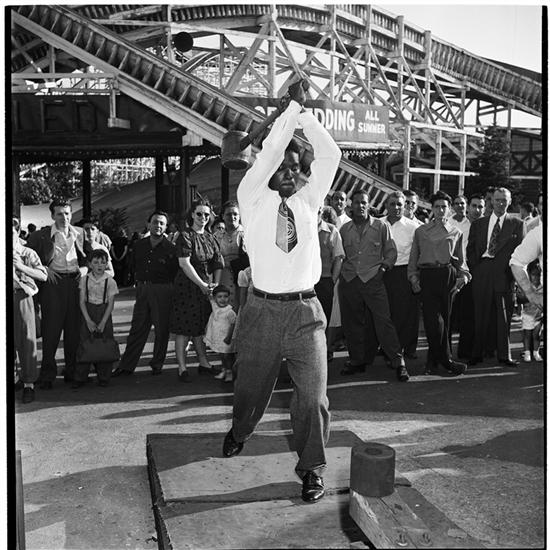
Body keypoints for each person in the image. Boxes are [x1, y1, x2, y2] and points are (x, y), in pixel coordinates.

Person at [223, 78, 341, 504]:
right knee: (250, 390)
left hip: (306, 314)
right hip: (261, 312)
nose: (290, 173)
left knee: (313, 398)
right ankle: (240, 430)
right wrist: (289, 112)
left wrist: (303, 115)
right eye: (282, 168)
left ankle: (312, 468)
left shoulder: (310, 199)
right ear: (267, 171)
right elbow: (271, 151)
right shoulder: (251, 196)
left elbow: (331, 154)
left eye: (295, 168)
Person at [339, 189, 409, 382]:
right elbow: (340, 254)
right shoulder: (344, 229)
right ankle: (356, 361)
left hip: (373, 280)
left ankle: (398, 362)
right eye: (357, 202)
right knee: (352, 324)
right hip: (350, 281)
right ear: (351, 205)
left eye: (364, 202)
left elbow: (391, 252)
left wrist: (382, 270)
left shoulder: (380, 226)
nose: (360, 206)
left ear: (369, 205)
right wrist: (343, 275)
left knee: (383, 321)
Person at [27, 199, 88, 388]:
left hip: (75, 282)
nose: (64, 217)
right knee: (51, 331)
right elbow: (29, 259)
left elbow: (90, 258)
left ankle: (72, 372)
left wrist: (84, 270)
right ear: (52, 215)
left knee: (74, 330)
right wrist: (45, 269)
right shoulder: (40, 236)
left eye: (67, 213)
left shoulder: (81, 233)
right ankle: (47, 375)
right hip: (53, 284)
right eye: (60, 214)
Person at [408, 191, 470, 376]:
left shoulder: (456, 232)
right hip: (428, 276)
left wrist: (464, 276)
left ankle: (433, 362)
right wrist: (413, 278)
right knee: (433, 321)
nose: (441, 210)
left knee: (445, 321)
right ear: (432, 209)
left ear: (449, 209)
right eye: (437, 207)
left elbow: (461, 260)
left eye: (444, 207)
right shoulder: (421, 231)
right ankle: (446, 360)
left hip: (447, 276)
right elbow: (413, 258)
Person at [112, 211, 178, 377]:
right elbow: (133, 266)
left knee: (161, 330)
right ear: (148, 224)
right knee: (137, 328)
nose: (158, 226)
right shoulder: (138, 245)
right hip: (142, 289)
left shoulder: (171, 248)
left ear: (166, 227)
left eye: (162, 223)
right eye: (155, 222)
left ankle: (157, 364)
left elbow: (175, 272)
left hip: (163, 290)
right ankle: (126, 366)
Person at [467, 187, 524, 366]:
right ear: (491, 201)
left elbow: (520, 252)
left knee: (504, 316)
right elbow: (471, 249)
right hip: (482, 272)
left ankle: (504, 355)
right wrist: (476, 269)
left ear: (509, 202)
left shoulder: (517, 224)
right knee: (480, 314)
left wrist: (513, 276)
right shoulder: (479, 224)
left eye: (504, 200)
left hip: (504, 274)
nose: (500, 203)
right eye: (497, 200)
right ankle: (477, 353)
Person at [170, 199, 224, 382]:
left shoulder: (210, 237)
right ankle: (182, 368)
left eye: (206, 214)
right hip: (187, 287)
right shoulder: (185, 236)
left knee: (200, 327)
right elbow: (184, 263)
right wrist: (202, 284)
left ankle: (204, 363)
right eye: (199, 213)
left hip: (205, 288)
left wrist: (214, 285)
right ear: (192, 214)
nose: (203, 217)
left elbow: (218, 263)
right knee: (184, 329)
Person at [380, 192, 421, 359]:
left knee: (404, 313)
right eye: (392, 204)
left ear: (405, 207)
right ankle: (388, 347)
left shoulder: (413, 227)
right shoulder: (378, 224)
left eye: (399, 204)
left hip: (404, 272)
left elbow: (418, 253)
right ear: (386, 206)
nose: (396, 207)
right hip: (382, 272)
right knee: (385, 312)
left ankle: (404, 348)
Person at [13, 217, 48, 403]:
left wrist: (20, 266)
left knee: (26, 341)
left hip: (22, 297)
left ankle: (28, 384)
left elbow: (43, 275)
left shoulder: (27, 252)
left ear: (17, 232)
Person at [73, 248, 119, 388]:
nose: (99, 265)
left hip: (104, 313)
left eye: (103, 262)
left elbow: (111, 304)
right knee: (85, 343)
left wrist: (103, 322)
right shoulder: (84, 280)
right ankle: (80, 377)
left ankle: (104, 376)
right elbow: (81, 301)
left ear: (106, 264)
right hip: (88, 311)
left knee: (105, 343)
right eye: (96, 262)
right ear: (90, 264)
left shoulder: (110, 281)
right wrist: (88, 320)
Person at [450, 193, 485, 359]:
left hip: (476, 273)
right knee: (450, 314)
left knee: (470, 314)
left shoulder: (486, 225)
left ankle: (466, 351)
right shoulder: (457, 224)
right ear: (468, 207)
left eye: (480, 207)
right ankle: (445, 353)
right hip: (455, 270)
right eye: (474, 206)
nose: (477, 210)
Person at [315, 206, 345, 359]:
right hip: (305, 283)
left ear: (321, 212)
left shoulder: (332, 230)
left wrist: (332, 280)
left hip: (325, 280)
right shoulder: (302, 229)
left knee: (324, 317)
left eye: (317, 211)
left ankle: (325, 350)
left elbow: (339, 257)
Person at [216, 201, 246, 308]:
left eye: (235, 214)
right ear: (223, 216)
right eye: (228, 214)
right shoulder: (216, 236)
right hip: (223, 277)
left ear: (240, 216)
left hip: (242, 277)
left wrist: (231, 263)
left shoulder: (247, 233)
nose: (232, 217)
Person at [205, 285, 237, 383]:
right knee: (222, 355)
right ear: (215, 298)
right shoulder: (215, 306)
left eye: (225, 296)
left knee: (227, 356)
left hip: (226, 338)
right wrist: (209, 288)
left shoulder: (229, 312)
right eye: (219, 297)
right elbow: (209, 297)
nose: (223, 299)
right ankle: (224, 370)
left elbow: (233, 325)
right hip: (218, 338)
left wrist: (229, 337)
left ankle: (229, 372)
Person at [517, 263, 543, 362]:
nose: (536, 277)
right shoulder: (527, 287)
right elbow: (520, 298)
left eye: (538, 274)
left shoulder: (542, 287)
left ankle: (536, 353)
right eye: (533, 274)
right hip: (528, 315)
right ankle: (527, 353)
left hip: (538, 315)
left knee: (537, 335)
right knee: (527, 335)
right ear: (529, 274)